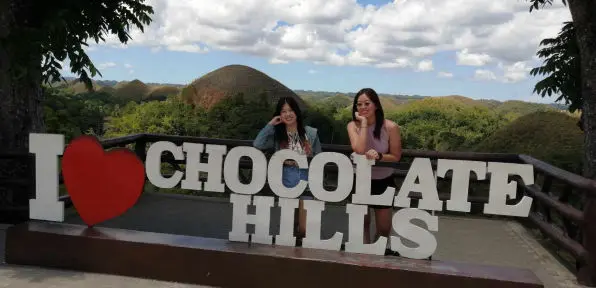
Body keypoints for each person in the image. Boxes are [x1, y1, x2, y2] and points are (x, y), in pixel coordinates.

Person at [253, 97, 322, 244]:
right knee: (289, 228)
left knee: (304, 229)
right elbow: (258, 144)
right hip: (286, 185)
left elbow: (319, 157)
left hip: (307, 185)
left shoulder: (310, 133)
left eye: (290, 110)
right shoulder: (277, 135)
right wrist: (270, 124)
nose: (288, 114)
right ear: (279, 114)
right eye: (283, 111)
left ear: (296, 111)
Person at [346, 88, 402, 255]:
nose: (363, 107)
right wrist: (363, 123)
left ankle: (376, 255)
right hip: (361, 179)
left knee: (384, 228)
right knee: (361, 223)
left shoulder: (390, 127)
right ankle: (364, 258)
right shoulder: (352, 125)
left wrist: (379, 156)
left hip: (383, 179)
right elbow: (360, 148)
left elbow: (396, 156)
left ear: (376, 105)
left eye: (367, 103)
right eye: (359, 104)